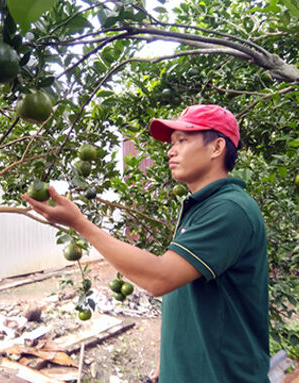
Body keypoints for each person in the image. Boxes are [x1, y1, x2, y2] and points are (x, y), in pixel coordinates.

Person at [22, 104, 270, 383]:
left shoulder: (229, 209)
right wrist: (171, 359)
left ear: (217, 148)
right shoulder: (202, 206)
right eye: (172, 142)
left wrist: (80, 224)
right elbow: (185, 290)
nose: (170, 151)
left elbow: (160, 277)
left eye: (182, 140)